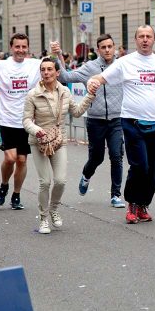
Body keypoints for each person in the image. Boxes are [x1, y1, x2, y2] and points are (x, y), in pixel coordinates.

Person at [87, 25, 155, 224]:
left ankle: (143, 204)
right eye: (141, 36)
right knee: (140, 166)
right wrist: (92, 82)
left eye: (148, 36)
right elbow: (100, 78)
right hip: (132, 122)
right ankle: (132, 203)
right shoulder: (125, 63)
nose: (145, 40)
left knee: (153, 169)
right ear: (135, 40)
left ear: (154, 39)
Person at [23, 57, 96, 234]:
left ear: (57, 72)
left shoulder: (64, 92)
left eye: (50, 69)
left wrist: (90, 95)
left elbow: (76, 112)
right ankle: (43, 218)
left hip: (58, 140)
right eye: (43, 69)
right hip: (39, 141)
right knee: (45, 182)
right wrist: (36, 130)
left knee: (60, 181)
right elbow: (26, 120)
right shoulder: (33, 94)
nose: (46, 73)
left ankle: (54, 209)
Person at [54, 34, 126, 208]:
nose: (107, 50)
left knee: (117, 156)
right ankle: (86, 175)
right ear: (98, 50)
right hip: (96, 120)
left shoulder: (122, 66)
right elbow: (65, 77)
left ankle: (116, 195)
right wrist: (58, 55)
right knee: (96, 158)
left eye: (110, 46)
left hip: (117, 119)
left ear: (114, 47)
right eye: (103, 47)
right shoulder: (90, 67)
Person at [0, 33, 41, 210]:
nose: (20, 50)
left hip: (27, 121)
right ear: (11, 47)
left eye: (24, 47)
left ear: (28, 48)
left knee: (22, 160)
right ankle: (4, 184)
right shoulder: (0, 66)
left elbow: (57, 71)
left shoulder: (35, 65)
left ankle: (16, 195)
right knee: (10, 158)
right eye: (17, 46)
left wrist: (57, 54)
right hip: (7, 120)